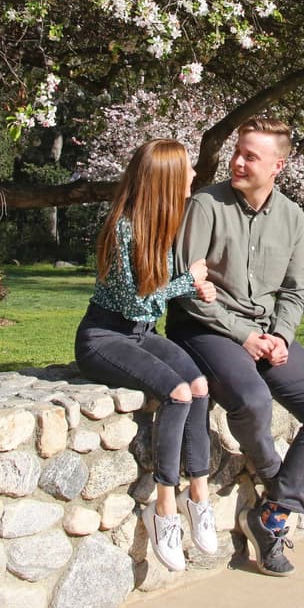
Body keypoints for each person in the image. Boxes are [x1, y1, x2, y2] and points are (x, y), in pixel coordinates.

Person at [166, 117, 304, 578]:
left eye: (250, 155)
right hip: (205, 328)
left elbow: (295, 289)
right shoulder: (206, 205)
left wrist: (280, 337)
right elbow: (186, 287)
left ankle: (272, 512)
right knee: (251, 400)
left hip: (267, 332)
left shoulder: (291, 216)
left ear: (277, 166)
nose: (238, 161)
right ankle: (275, 481)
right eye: (237, 151)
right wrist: (243, 335)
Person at [73, 138, 219, 572]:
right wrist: (187, 281)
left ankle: (199, 495)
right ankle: (164, 509)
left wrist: (196, 285)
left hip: (140, 334)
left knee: (199, 386)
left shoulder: (166, 223)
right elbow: (139, 303)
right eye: (188, 169)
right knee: (176, 393)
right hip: (104, 338)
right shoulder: (123, 227)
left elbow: (154, 299)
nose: (194, 175)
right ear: (167, 179)